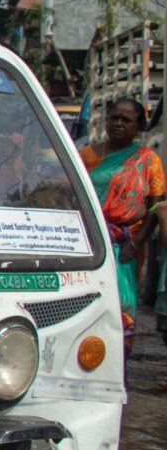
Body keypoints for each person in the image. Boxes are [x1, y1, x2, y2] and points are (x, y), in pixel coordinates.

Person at [78, 97, 164, 351]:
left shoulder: (148, 160)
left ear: (139, 126)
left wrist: (135, 244)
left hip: (127, 246)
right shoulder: (88, 155)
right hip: (91, 241)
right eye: (114, 117)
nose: (118, 124)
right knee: (88, 300)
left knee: (122, 303)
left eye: (126, 120)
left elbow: (155, 207)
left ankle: (119, 360)